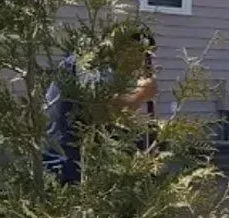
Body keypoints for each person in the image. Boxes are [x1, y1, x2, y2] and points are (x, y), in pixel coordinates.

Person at [43, 24, 158, 185]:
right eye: (140, 54)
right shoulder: (88, 64)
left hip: (83, 166)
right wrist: (141, 95)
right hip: (64, 167)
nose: (140, 63)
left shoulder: (109, 74)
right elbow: (101, 105)